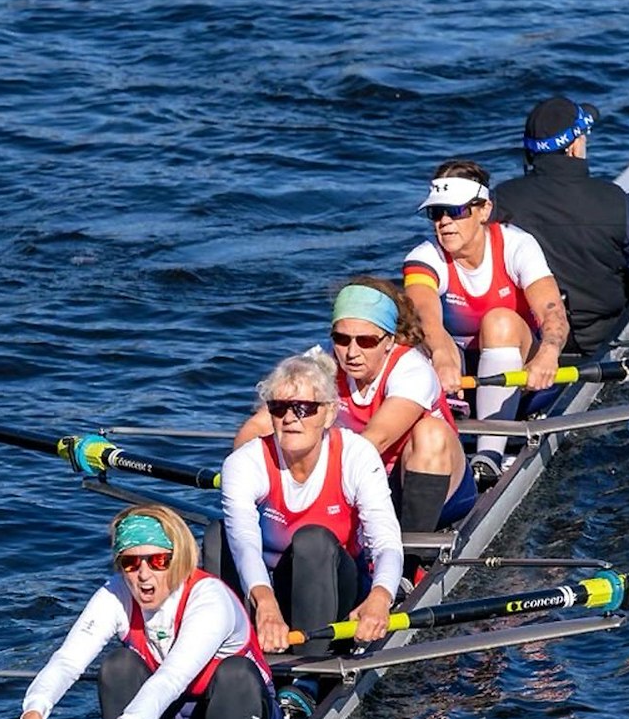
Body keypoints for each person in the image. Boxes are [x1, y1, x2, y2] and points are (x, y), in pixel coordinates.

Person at [13, 505, 280, 719]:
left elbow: (171, 678)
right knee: (119, 666)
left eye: (158, 561)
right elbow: (68, 661)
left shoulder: (210, 599)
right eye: (131, 562)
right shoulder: (115, 594)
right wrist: (33, 713)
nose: (143, 574)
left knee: (235, 674)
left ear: (178, 559)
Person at [235, 278, 473, 537]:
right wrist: (244, 470)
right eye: (341, 339)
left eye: (366, 341)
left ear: (389, 340)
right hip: (361, 482)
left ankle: (411, 553)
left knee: (430, 433)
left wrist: (314, 482)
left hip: (432, 488)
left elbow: (376, 440)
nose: (351, 352)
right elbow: (260, 424)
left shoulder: (412, 370)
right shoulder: (322, 360)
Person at [221, 348, 404, 662]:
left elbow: (386, 541)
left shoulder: (356, 455)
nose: (290, 418)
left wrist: (381, 596)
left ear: (329, 413)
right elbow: (245, 545)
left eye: (304, 408)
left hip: (338, 589)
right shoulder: (245, 462)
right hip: (269, 590)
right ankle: (231, 657)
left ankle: (309, 672)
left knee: (312, 540)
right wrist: (265, 603)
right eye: (279, 408)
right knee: (218, 536)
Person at [401, 159, 572, 483]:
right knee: (418, 337)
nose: (444, 222)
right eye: (436, 213)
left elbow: (552, 310)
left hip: (519, 368)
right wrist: (441, 354)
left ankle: (489, 456)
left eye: (456, 211)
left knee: (499, 322)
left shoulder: (517, 246)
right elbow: (424, 316)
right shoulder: (424, 257)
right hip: (457, 371)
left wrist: (549, 353)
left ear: (484, 210)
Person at [489, 96, 629, 362]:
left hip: (527, 338)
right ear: (574, 147)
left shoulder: (498, 201)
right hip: (598, 340)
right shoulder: (616, 200)